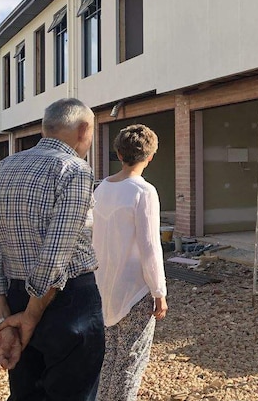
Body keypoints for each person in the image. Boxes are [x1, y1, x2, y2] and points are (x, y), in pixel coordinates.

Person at [0, 98, 104, 400]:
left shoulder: (5, 167)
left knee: (26, 394)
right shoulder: (75, 169)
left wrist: (3, 324)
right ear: (83, 130)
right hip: (69, 303)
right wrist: (30, 316)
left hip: (15, 298)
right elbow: (57, 251)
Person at [93, 124, 168, 401]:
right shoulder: (144, 191)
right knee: (130, 361)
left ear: (118, 153)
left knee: (108, 358)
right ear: (150, 156)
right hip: (135, 290)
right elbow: (150, 246)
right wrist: (159, 292)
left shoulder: (101, 188)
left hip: (103, 286)